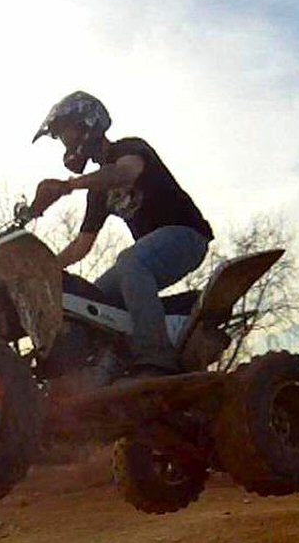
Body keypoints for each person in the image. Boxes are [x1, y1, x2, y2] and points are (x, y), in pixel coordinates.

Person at [29, 90, 214, 379]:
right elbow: (81, 245)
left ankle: (156, 356)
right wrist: (42, 268)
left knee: (129, 262)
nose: (65, 142)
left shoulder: (129, 148)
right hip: (152, 254)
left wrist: (67, 186)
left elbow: (126, 173)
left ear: (88, 123)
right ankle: (115, 364)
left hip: (186, 237)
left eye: (66, 131)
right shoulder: (97, 192)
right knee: (93, 299)